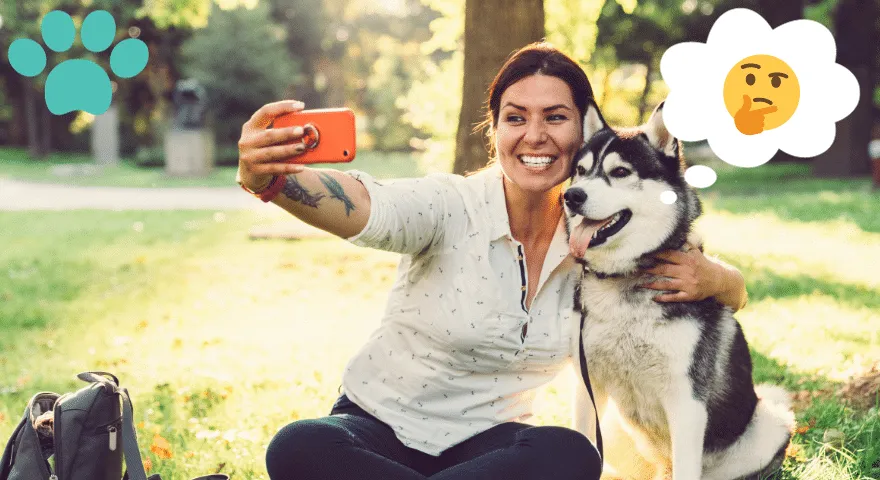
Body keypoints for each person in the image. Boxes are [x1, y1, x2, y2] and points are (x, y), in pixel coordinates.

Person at [236, 42, 748, 480]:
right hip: (376, 427)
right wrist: (272, 180)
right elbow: (369, 204)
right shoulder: (449, 205)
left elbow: (710, 274)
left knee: (569, 455)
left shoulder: (604, 242)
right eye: (515, 118)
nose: (534, 135)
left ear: (584, 132)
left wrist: (722, 278)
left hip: (489, 449)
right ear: (495, 131)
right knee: (299, 446)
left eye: (556, 117)